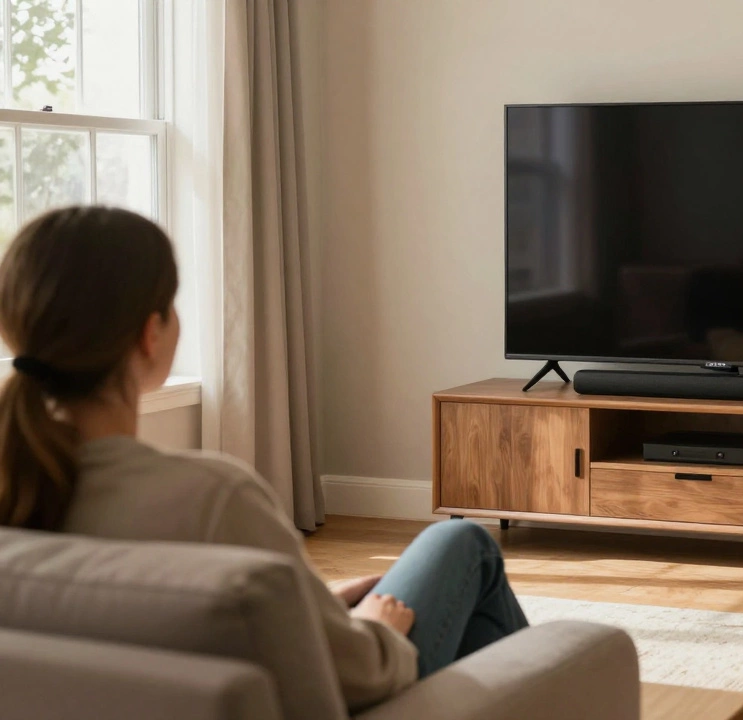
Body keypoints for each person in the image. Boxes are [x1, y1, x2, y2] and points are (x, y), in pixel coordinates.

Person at [0, 206, 528, 711]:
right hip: (365, 693)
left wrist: (304, 606)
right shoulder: (213, 498)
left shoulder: (20, 486)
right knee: (462, 541)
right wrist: (375, 628)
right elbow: (358, 678)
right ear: (149, 332)